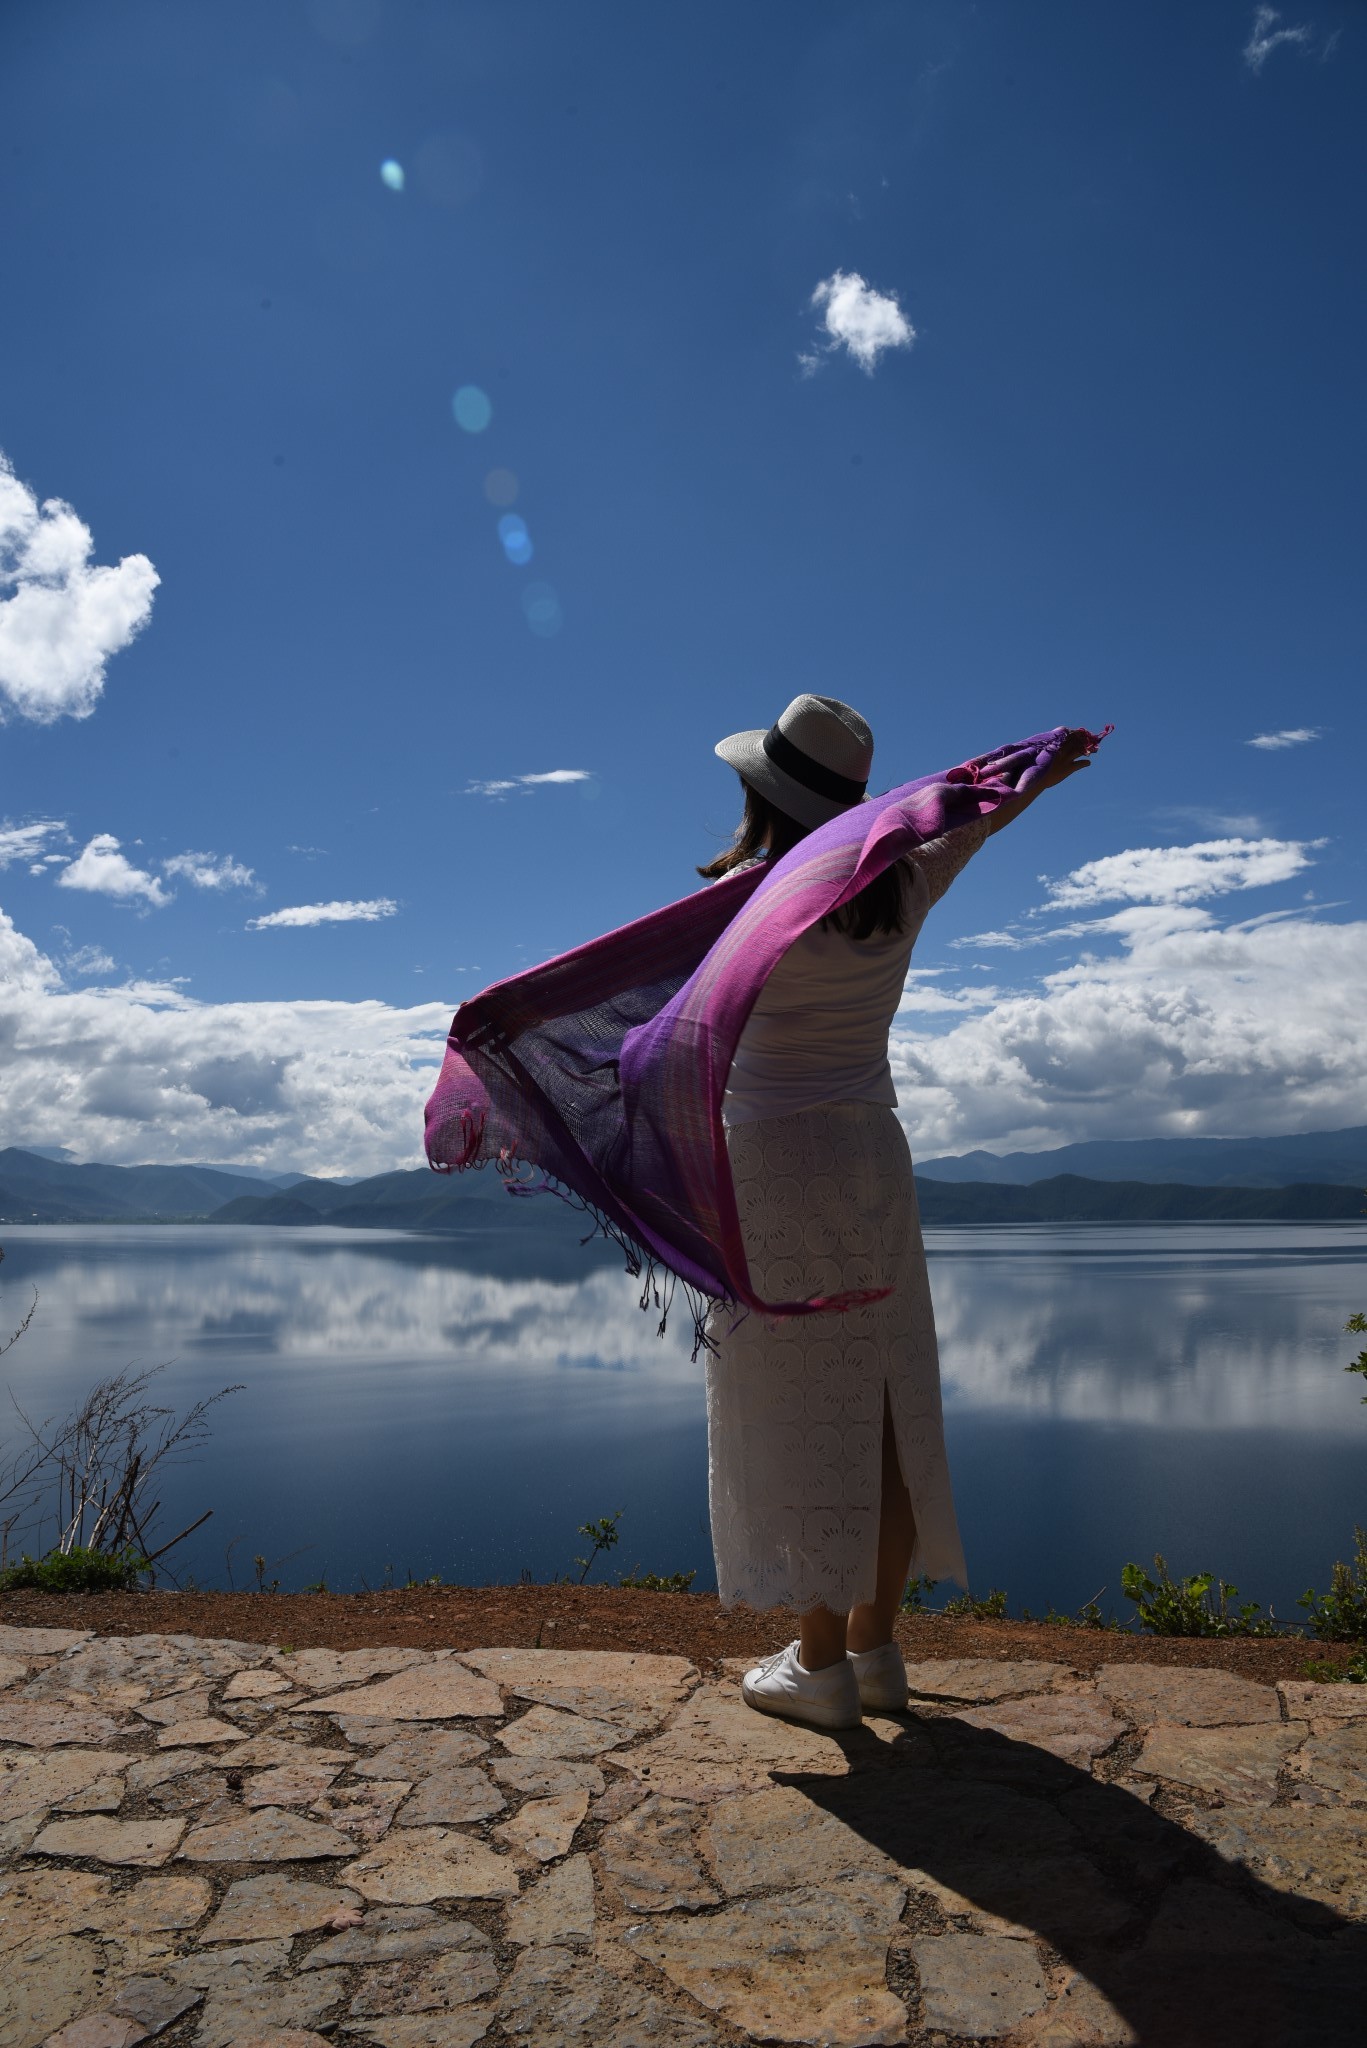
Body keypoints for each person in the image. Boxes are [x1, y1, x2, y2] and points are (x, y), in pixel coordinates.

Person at [698, 693, 1093, 1730]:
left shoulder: (741, 898)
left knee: (795, 1412)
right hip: (871, 1158)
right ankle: (874, 1649)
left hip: (770, 1170)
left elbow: (653, 1019)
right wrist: (1037, 767)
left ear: (759, 792)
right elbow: (973, 815)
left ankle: (819, 1664)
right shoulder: (904, 881)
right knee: (880, 1403)